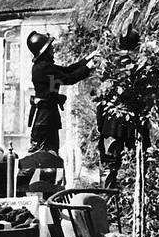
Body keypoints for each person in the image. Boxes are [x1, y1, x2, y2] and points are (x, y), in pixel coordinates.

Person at [95, 23, 148, 189]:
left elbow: (101, 97)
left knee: (110, 167)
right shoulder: (140, 65)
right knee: (140, 162)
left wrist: (101, 123)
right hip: (132, 122)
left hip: (111, 124)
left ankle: (108, 202)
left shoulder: (109, 62)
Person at [26, 31, 95, 154]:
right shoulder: (44, 68)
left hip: (48, 116)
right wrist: (88, 67)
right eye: (50, 47)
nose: (53, 49)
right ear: (44, 51)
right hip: (45, 118)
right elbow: (69, 78)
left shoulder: (44, 66)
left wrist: (88, 58)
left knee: (51, 158)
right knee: (37, 158)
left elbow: (67, 70)